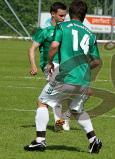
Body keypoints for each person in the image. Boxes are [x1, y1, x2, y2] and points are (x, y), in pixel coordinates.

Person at [24, 0, 102, 153]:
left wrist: (49, 62)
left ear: (69, 14)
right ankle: (94, 140)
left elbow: (54, 46)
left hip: (65, 75)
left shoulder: (62, 26)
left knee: (42, 102)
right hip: (84, 79)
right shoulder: (91, 34)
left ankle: (40, 140)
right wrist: (85, 67)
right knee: (76, 109)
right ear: (84, 16)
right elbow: (97, 61)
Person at [28, 2, 71, 131]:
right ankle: (61, 121)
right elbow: (32, 49)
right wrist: (33, 66)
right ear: (53, 14)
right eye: (61, 15)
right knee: (58, 92)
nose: (63, 18)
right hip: (49, 66)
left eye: (65, 16)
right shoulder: (44, 32)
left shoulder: (64, 30)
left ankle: (61, 121)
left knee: (59, 93)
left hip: (64, 65)